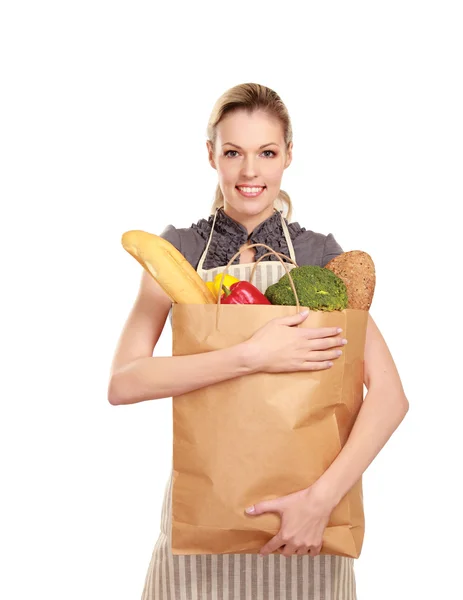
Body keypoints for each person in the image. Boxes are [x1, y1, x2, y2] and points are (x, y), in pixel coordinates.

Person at [108, 83, 409, 600]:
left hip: (307, 524)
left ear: (289, 155)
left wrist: (319, 502)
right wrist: (251, 355)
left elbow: (389, 397)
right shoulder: (177, 251)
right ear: (211, 156)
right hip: (204, 513)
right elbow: (125, 381)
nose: (251, 173)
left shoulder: (320, 256)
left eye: (267, 153)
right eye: (233, 153)